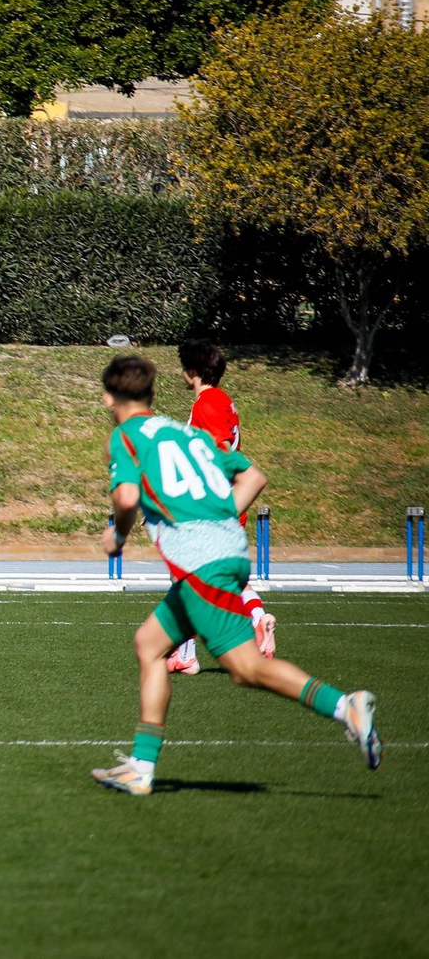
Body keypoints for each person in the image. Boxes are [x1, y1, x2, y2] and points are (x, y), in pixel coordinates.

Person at [93, 356, 380, 796]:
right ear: (151, 395)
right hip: (225, 552)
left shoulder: (125, 436)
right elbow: (253, 475)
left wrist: (117, 536)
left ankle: (346, 706)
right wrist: (220, 520)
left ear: (110, 397)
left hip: (201, 566)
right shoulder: (186, 432)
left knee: (245, 668)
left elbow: (128, 496)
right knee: (149, 645)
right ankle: (140, 767)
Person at [167, 339, 277, 675]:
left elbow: (221, 452)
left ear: (193, 372)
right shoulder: (219, 400)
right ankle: (257, 618)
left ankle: (186, 654)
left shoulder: (208, 403)